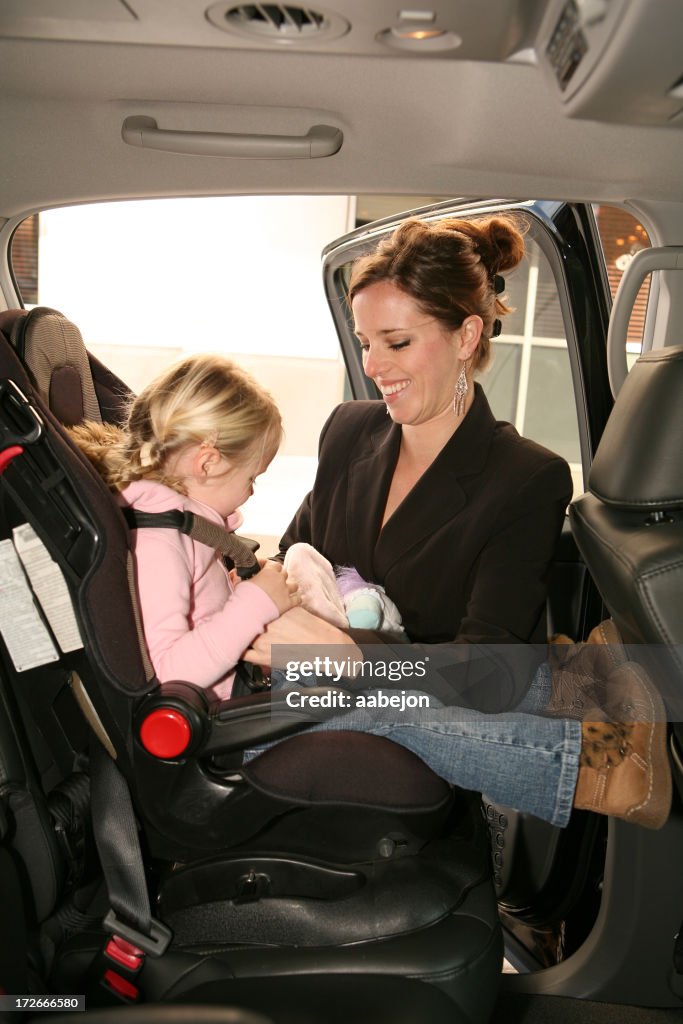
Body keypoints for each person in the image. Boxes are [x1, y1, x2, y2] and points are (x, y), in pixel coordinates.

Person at [243, 214, 672, 830]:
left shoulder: (527, 478)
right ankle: (576, 684)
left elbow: (489, 668)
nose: (373, 366)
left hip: (430, 706)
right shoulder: (347, 430)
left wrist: (353, 661)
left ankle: (586, 759)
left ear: (467, 336)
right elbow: (296, 558)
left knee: (307, 717)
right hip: (318, 681)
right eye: (365, 343)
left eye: (396, 343)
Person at [69, 354, 299, 702]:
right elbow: (170, 671)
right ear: (207, 463)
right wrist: (256, 602)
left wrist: (231, 593)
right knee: (398, 711)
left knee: (387, 691)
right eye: (252, 477)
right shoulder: (157, 539)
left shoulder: (180, 524)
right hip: (227, 718)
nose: (251, 491)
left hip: (243, 685)